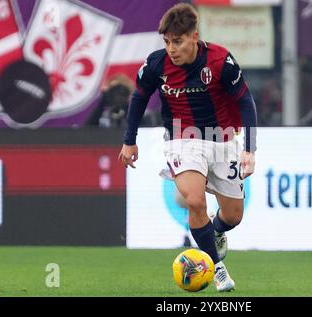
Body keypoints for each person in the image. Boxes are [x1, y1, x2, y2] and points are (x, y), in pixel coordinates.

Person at [118, 3, 257, 292]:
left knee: (232, 217)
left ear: (194, 37)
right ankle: (216, 267)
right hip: (182, 139)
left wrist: (249, 149)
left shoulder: (220, 60)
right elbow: (139, 99)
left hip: (224, 141)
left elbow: (246, 101)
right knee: (194, 200)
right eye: (167, 41)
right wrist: (130, 140)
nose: (171, 48)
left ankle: (215, 230)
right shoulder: (156, 64)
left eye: (177, 41)